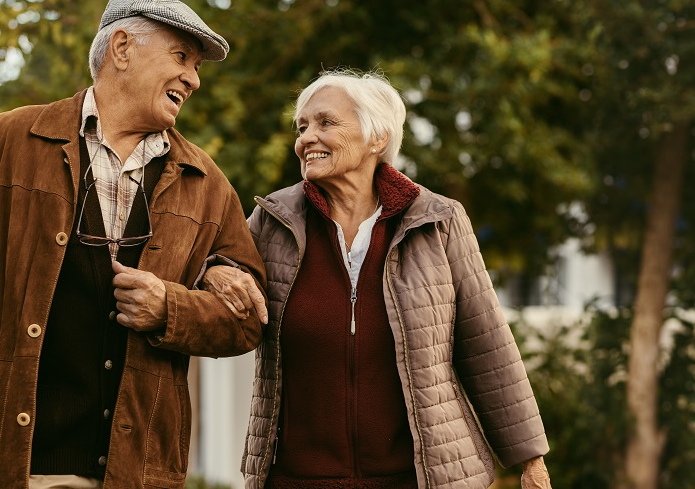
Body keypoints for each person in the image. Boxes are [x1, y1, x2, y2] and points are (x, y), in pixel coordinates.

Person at [0, 0, 268, 489]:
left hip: (136, 478)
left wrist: (171, 309)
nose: (194, 79)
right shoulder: (9, 141)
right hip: (16, 471)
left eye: (197, 67)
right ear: (122, 48)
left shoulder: (207, 184)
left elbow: (248, 322)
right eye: (181, 57)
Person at [210, 69, 552, 488]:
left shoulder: (438, 221)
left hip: (418, 478)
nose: (306, 139)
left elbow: (486, 343)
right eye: (302, 127)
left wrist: (530, 459)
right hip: (297, 479)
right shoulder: (273, 221)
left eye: (325, 122)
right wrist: (213, 271)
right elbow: (221, 272)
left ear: (378, 138)